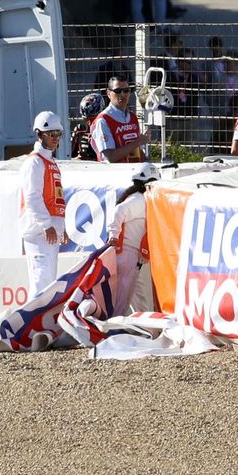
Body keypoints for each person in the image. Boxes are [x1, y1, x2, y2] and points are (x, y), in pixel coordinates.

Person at [19, 111, 67, 295]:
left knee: (48, 283)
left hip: (49, 231)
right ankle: (32, 323)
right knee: (41, 282)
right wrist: (47, 225)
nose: (55, 139)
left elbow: (56, 198)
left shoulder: (50, 162)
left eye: (58, 134)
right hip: (38, 231)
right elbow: (32, 197)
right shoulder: (35, 163)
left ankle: (40, 323)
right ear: (39, 134)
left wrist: (61, 227)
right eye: (51, 134)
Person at [108, 162, 160, 312]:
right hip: (128, 254)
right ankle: (114, 327)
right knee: (122, 298)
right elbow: (119, 211)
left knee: (137, 296)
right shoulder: (139, 200)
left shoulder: (138, 198)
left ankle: (141, 326)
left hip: (131, 256)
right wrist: (114, 234)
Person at [90, 76, 147, 163]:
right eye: (118, 91)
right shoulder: (103, 120)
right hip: (114, 174)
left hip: (134, 173)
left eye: (126, 91)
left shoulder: (132, 117)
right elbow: (109, 157)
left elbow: (137, 151)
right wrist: (138, 142)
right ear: (108, 93)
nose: (123, 94)